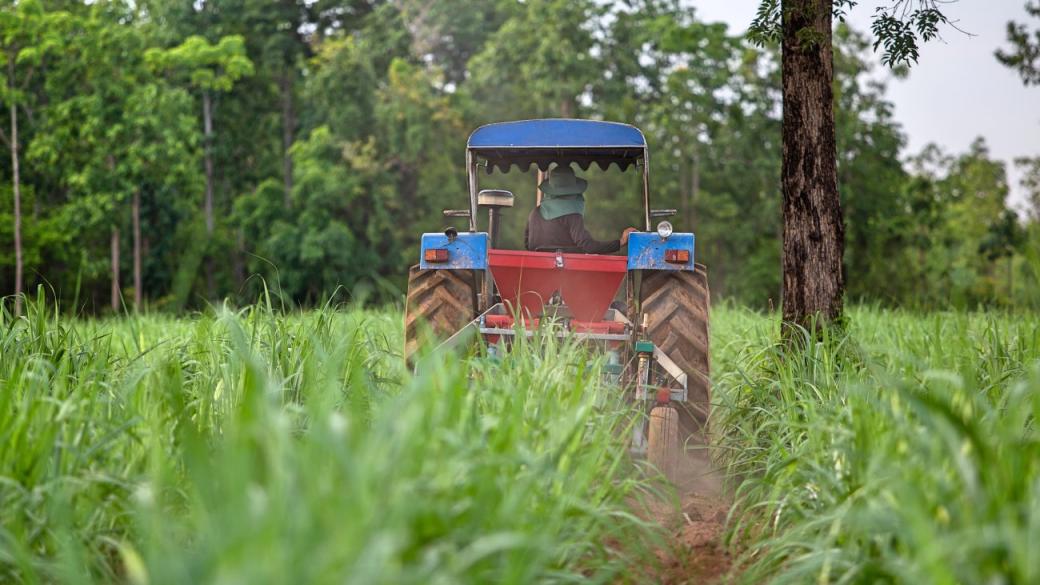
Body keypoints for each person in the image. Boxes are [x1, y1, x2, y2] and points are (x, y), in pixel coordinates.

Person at [524, 164, 638, 253]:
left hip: (538, 272)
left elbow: (528, 245)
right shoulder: (572, 215)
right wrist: (621, 242)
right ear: (573, 191)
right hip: (568, 275)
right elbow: (588, 246)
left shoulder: (534, 213)